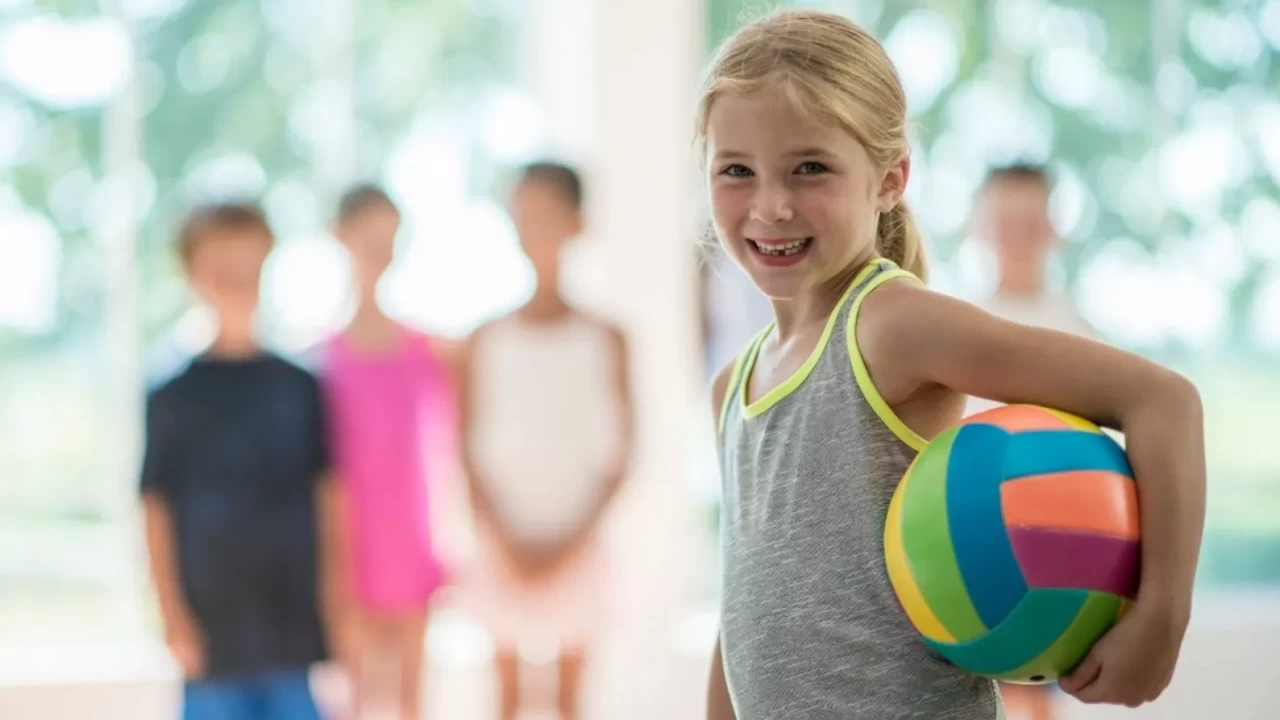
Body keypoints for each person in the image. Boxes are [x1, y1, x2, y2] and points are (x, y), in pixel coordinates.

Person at [699, 10, 1205, 720]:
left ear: (889, 179)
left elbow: (1163, 400)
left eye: (810, 168)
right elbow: (744, 611)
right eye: (736, 171)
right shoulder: (732, 386)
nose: (771, 205)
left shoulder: (889, 325)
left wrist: (1160, 620)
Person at [140, 202, 339, 720]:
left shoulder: (300, 386)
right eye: (221, 270)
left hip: (290, 629)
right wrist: (172, 618)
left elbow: (328, 497)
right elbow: (155, 507)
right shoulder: (172, 395)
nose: (237, 283)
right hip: (212, 633)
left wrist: (338, 607)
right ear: (192, 274)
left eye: (248, 268)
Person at [457, 161, 634, 720]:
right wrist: (503, 539)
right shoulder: (484, 339)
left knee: (570, 702)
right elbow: (466, 451)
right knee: (506, 699)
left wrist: (570, 543)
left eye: (547, 214)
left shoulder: (607, 337)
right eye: (523, 215)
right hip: (501, 546)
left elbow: (623, 456)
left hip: (579, 543)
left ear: (577, 223)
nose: (533, 229)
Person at [965, 163, 1098, 720]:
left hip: (1064, 543)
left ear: (1053, 230)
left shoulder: (1079, 333)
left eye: (1030, 222)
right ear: (979, 228)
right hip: (973, 540)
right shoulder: (958, 328)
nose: (1017, 236)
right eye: (1004, 222)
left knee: (1037, 693)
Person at [320, 185, 453, 720]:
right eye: (368, 238)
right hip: (349, 553)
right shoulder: (319, 360)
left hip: (411, 548)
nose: (379, 251)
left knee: (411, 700)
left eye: (388, 239)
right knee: (352, 699)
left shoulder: (429, 351)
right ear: (340, 237)